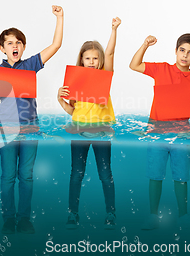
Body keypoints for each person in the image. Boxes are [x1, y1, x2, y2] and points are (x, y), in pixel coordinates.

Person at [0, 5, 64, 234]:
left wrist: (60, 17)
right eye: (9, 43)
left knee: (26, 176)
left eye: (18, 42)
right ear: (2, 48)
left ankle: (24, 218)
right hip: (5, 130)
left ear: (23, 46)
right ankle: (8, 218)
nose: (14, 45)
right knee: (8, 176)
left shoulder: (29, 65)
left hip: (30, 129)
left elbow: (55, 45)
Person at [129, 33, 190, 230]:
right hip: (157, 132)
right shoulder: (162, 69)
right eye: (182, 50)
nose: (185, 56)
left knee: (181, 177)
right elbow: (134, 65)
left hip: (181, 134)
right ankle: (153, 216)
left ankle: (184, 216)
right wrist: (145, 44)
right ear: (176, 50)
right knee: (155, 176)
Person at [57, 17, 121, 230]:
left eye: (95, 58)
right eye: (88, 58)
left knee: (105, 174)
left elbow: (110, 53)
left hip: (102, 132)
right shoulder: (76, 82)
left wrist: (113, 30)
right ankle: (72, 214)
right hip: (79, 132)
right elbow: (73, 111)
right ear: (81, 60)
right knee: (76, 174)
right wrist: (61, 100)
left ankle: (111, 213)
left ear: (100, 61)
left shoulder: (105, 76)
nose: (92, 62)